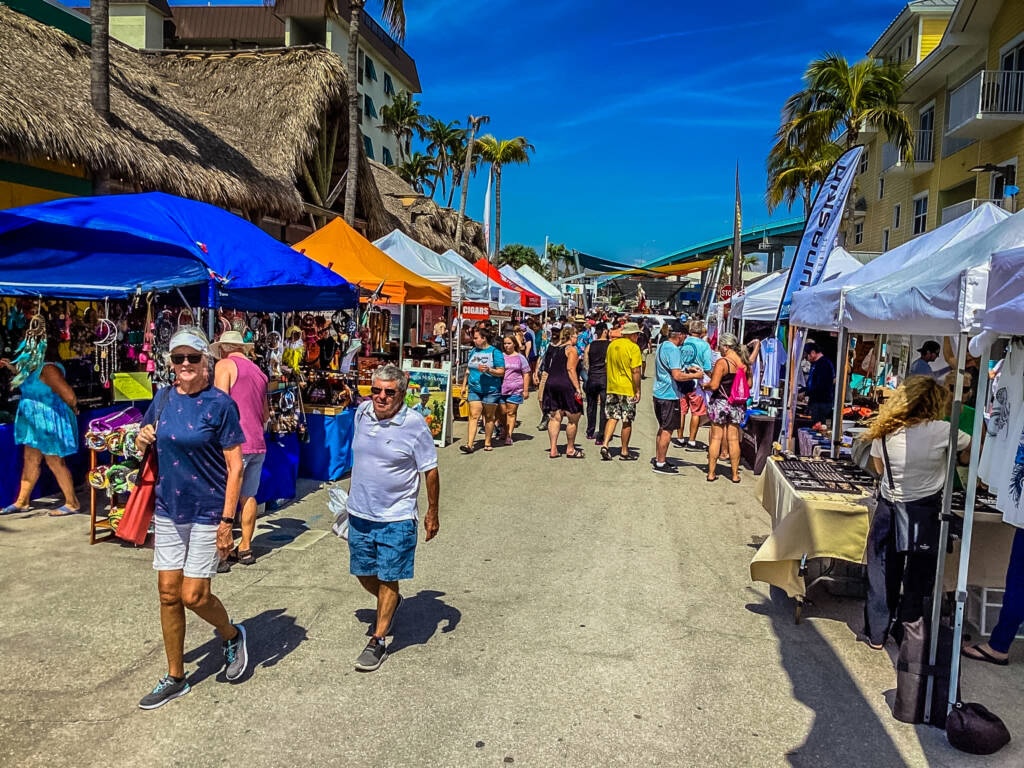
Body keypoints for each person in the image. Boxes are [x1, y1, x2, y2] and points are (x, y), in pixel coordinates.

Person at [134, 328, 249, 709]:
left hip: (208, 510)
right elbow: (141, 442)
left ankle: (231, 634)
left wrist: (227, 522)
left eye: (192, 359)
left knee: (193, 595)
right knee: (168, 594)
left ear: (207, 362)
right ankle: (176, 676)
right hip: (169, 508)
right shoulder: (163, 398)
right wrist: (142, 438)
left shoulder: (220, 405)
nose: (184, 365)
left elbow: (235, 467)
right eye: (178, 359)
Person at [860, 375, 970, 649]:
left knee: (882, 570)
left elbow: (878, 468)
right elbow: (970, 450)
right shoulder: (944, 431)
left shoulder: (885, 430)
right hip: (924, 511)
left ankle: (877, 632)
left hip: (889, 506)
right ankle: (908, 629)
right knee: (918, 575)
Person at [348, 364, 439, 671]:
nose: (381, 397)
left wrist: (432, 512)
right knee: (363, 572)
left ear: (401, 393)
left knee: (389, 575)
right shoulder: (362, 414)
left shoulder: (414, 424)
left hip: (397, 515)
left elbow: (430, 470)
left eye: (389, 392)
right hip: (359, 512)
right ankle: (393, 600)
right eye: (376, 390)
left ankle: (379, 639)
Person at [0, 332, 81, 516]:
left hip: (48, 421)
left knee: (54, 460)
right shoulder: (31, 367)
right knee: (30, 459)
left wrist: (73, 409)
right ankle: (22, 501)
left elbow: (69, 395)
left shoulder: (48, 369)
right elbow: (30, 381)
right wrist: (11, 367)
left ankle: (72, 502)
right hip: (33, 422)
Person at [212, 331, 269, 569]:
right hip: (257, 441)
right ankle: (245, 547)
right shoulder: (259, 372)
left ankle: (221, 554)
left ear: (224, 348)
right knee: (249, 495)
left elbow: (219, 404)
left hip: (234, 442)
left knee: (224, 495)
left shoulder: (225, 365)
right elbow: (266, 414)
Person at [652, 320, 703, 475]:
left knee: (662, 428)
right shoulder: (673, 349)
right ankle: (661, 463)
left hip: (659, 392)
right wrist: (696, 375)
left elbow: (673, 367)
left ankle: (660, 457)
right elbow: (677, 375)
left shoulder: (662, 346)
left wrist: (687, 368)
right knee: (667, 430)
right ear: (680, 336)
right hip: (669, 394)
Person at [702, 332, 750, 483]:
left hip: (721, 403)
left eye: (720, 346)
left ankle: (711, 473)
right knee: (734, 439)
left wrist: (705, 385)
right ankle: (735, 475)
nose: (719, 349)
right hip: (737, 404)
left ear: (726, 346)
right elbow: (749, 385)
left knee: (716, 437)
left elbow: (715, 385)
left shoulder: (723, 362)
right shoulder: (744, 363)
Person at [540, 326, 586, 458]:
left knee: (555, 417)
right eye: (576, 335)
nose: (577, 338)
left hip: (551, 383)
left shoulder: (555, 349)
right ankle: (570, 448)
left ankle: (553, 448)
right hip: (566, 384)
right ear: (571, 336)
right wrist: (578, 388)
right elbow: (571, 369)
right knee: (573, 418)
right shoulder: (571, 350)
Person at [600, 322, 642, 461]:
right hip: (627, 388)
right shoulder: (633, 348)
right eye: (636, 334)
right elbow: (636, 371)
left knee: (612, 417)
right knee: (627, 419)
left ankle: (605, 444)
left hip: (612, 386)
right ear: (631, 335)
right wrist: (638, 390)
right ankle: (624, 451)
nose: (637, 337)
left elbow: (606, 365)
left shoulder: (612, 345)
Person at [460, 327, 505, 453]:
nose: (474, 341)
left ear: (484, 338)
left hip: (491, 389)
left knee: (489, 416)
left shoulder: (495, 352)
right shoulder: (473, 351)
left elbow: (501, 371)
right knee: (474, 415)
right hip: (474, 388)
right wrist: (464, 385)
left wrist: (490, 370)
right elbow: (468, 370)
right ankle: (469, 444)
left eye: (476, 338)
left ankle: (487, 441)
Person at [675, 319, 714, 452]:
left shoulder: (682, 342)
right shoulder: (704, 345)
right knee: (696, 412)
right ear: (701, 331)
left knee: (682, 409)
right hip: (696, 382)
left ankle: (679, 438)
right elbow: (708, 366)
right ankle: (691, 441)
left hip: (681, 378)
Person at [498, 334, 530, 446]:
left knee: (511, 412)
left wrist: (525, 390)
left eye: (509, 343)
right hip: (501, 388)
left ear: (514, 344)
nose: (506, 346)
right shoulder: (500, 356)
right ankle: (503, 428)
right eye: (505, 343)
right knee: (501, 412)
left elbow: (526, 373)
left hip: (516, 388)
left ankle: (509, 435)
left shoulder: (520, 357)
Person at [583, 322, 610, 444]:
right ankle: (600, 436)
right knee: (604, 407)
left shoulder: (590, 346)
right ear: (605, 331)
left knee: (591, 405)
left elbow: (585, 363)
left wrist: (590, 372)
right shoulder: (610, 346)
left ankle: (590, 431)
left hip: (592, 377)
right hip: (605, 378)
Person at [801, 342, 836, 425]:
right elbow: (812, 383)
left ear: (813, 353)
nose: (806, 359)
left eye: (807, 356)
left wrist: (806, 393)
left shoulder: (824, 364)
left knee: (817, 426)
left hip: (821, 403)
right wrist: (803, 390)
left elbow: (821, 385)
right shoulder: (816, 364)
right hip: (816, 402)